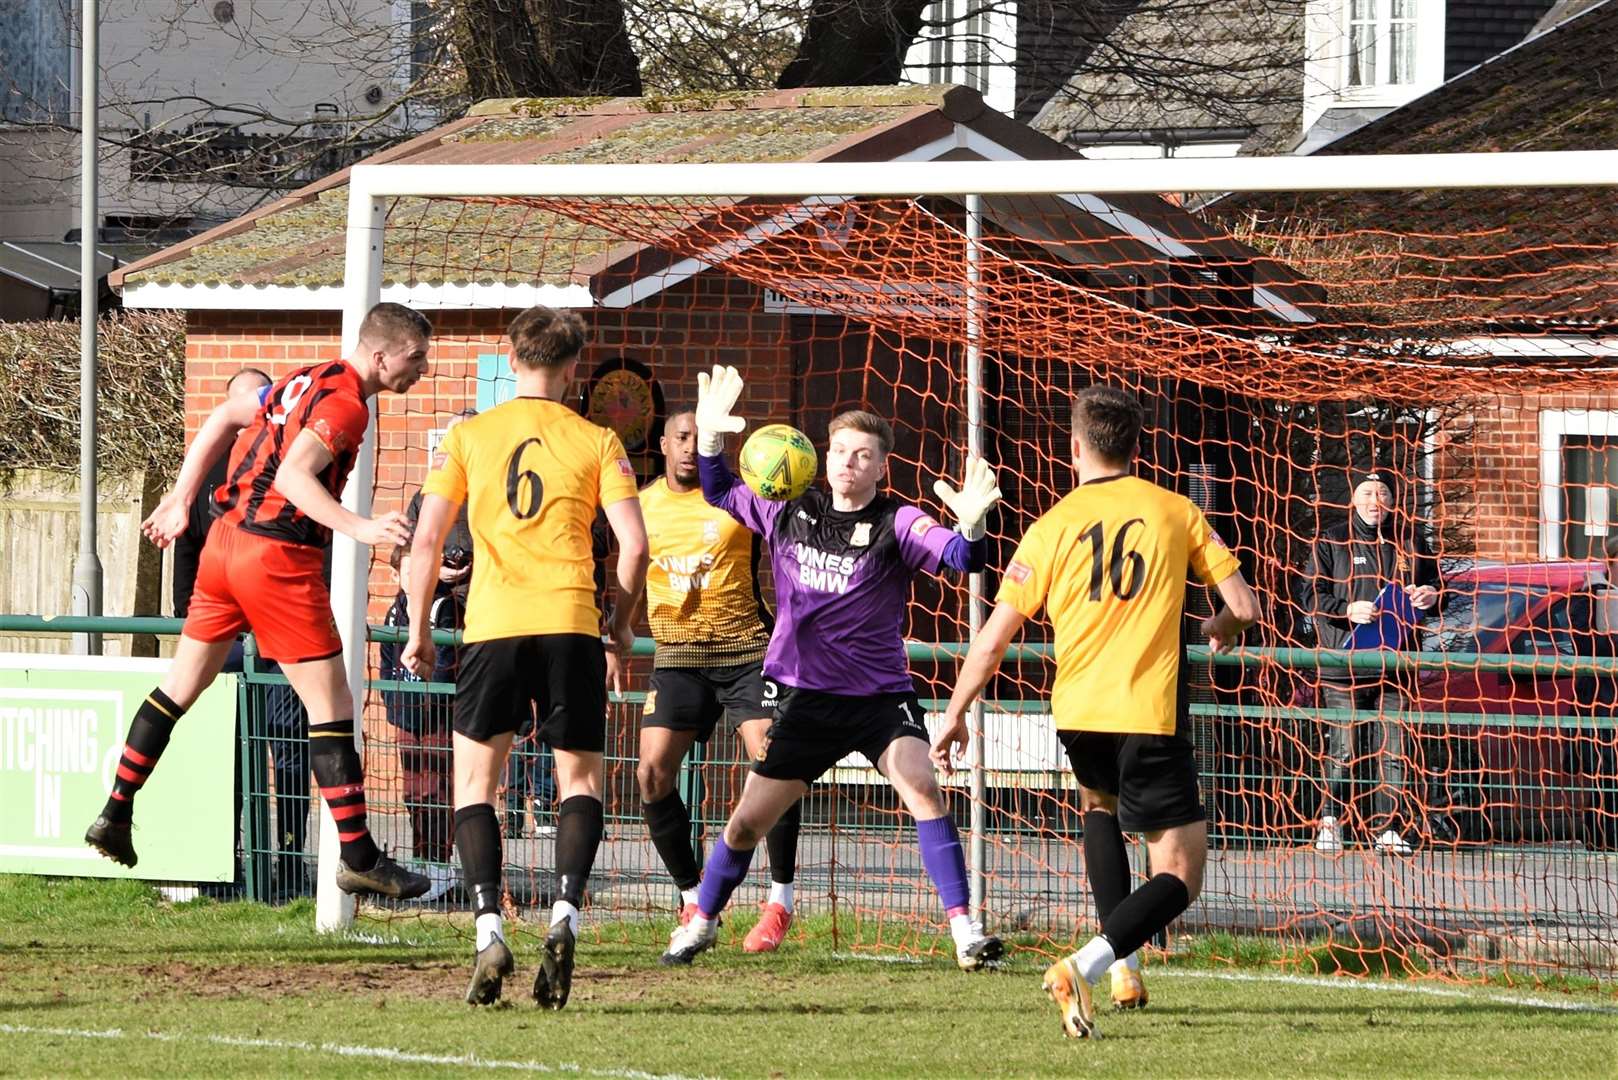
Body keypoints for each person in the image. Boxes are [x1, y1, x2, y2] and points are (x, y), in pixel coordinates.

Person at [933, 384, 1259, 1040]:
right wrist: (1223, 621)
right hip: (1149, 710)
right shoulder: (1174, 510)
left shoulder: (1050, 525)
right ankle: (1085, 964)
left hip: (1078, 710)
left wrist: (955, 712)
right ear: (1136, 448)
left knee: (1099, 810)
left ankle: (1125, 970)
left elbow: (994, 637)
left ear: (1075, 447)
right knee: (1181, 874)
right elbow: (1248, 608)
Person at [84, 302, 434, 903]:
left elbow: (224, 414)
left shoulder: (303, 379)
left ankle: (115, 813)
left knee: (177, 690)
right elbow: (296, 479)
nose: (423, 369)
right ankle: (358, 857)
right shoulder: (346, 404)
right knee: (332, 708)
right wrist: (362, 527)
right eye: (416, 357)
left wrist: (179, 498)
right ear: (381, 356)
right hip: (276, 558)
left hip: (223, 547)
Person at [662, 365, 1004, 971]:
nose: (848, 461)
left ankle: (965, 931)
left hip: (878, 700)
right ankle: (703, 922)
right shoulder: (789, 508)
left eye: (862, 454)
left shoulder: (898, 522)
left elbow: (961, 557)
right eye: (840, 450)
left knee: (924, 788)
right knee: (744, 825)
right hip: (805, 699)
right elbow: (717, 492)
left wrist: (972, 526)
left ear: (880, 467)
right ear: (824, 457)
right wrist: (711, 440)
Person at [403, 305, 649, 1009]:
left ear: (511, 357)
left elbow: (426, 544)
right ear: (575, 370)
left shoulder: (468, 436)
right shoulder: (599, 439)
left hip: (493, 627)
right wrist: (620, 624)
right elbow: (634, 546)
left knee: (475, 787)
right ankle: (566, 918)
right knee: (580, 785)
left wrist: (419, 628)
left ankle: (487, 929)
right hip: (570, 623)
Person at [636, 409, 803, 953]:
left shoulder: (737, 498)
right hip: (678, 659)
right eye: (679, 437)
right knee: (652, 775)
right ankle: (691, 897)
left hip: (747, 654)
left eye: (697, 439)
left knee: (772, 763)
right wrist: (615, 630)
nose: (688, 447)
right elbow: (630, 567)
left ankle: (779, 902)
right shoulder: (641, 504)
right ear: (662, 443)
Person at [1296, 469, 1441, 855]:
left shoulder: (1411, 541)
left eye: (1382, 493)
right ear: (1353, 499)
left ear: (1392, 501)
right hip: (1343, 666)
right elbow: (1308, 593)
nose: (1375, 501)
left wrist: (1429, 595)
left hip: (1395, 667)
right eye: (1367, 492)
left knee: (1394, 749)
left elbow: (1439, 591)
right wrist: (1347, 609)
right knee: (1343, 749)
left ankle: (1389, 829)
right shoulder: (1330, 539)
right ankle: (1331, 822)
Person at [379, 543, 461, 901]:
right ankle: (421, 860)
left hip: (438, 717)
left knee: (438, 790)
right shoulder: (393, 614)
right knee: (414, 792)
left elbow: (447, 662)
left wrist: (429, 699)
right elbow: (385, 664)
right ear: (396, 575)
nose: (415, 579)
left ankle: (440, 866)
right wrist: (395, 703)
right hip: (406, 716)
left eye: (421, 570)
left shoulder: (446, 608)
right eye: (408, 572)